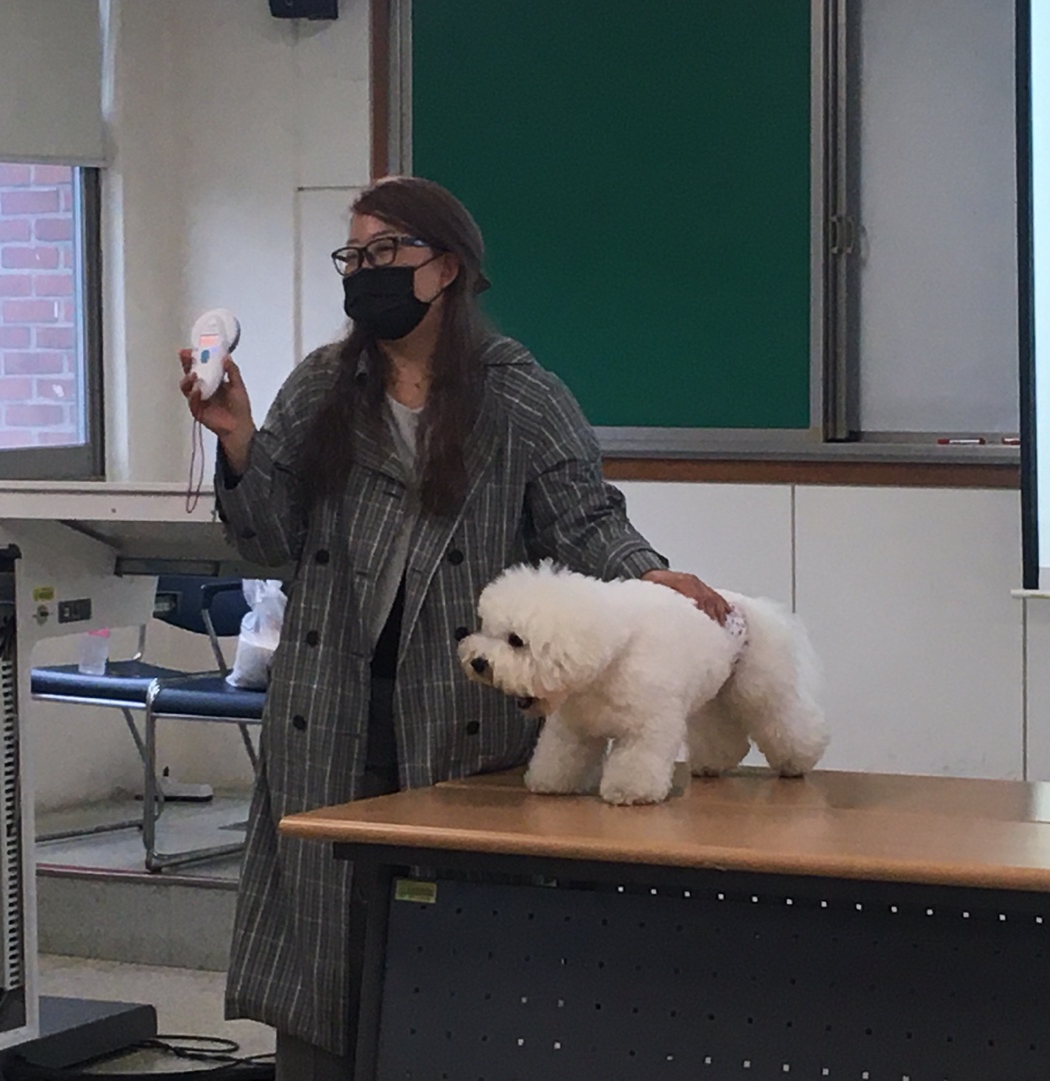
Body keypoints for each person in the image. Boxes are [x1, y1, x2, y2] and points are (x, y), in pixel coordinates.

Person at [178, 175, 729, 1079]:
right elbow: (269, 537)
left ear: (449, 269)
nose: (366, 271)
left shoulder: (520, 395)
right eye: (354, 255)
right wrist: (236, 437)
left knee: (459, 978)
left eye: (387, 251)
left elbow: (586, 522)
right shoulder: (323, 385)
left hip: (461, 722)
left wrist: (649, 575)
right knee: (323, 963)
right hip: (330, 714)